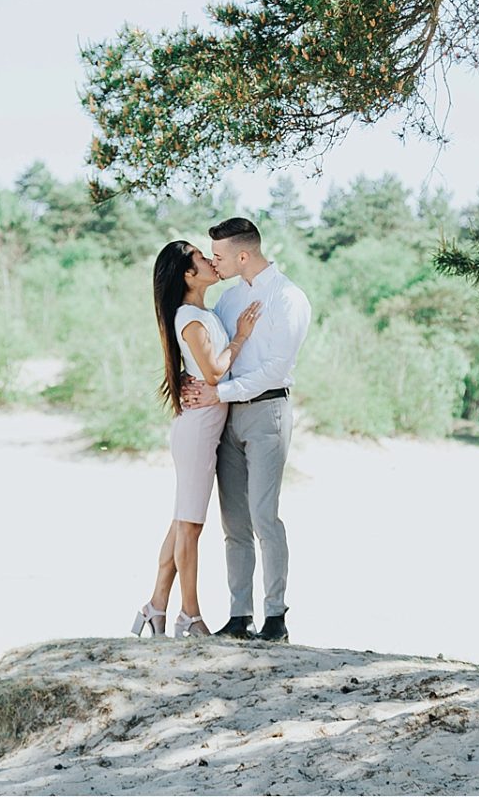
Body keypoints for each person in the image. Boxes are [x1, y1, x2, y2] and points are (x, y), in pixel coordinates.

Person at [180, 217, 313, 642]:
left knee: (263, 516)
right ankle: (240, 616)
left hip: (267, 413)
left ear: (242, 255)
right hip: (227, 420)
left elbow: (276, 368)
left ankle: (276, 616)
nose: (213, 263)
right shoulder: (228, 301)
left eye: (217, 256)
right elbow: (212, 352)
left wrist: (221, 393)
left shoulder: (289, 298)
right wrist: (190, 379)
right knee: (233, 522)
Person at [131, 240, 260, 639]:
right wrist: (240, 336)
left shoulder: (201, 313)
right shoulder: (190, 316)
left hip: (204, 425)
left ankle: (155, 606)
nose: (209, 259)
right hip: (199, 429)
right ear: (189, 274)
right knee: (190, 526)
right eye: (201, 258)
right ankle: (190, 615)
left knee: (181, 522)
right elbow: (215, 373)